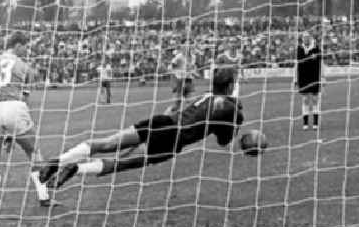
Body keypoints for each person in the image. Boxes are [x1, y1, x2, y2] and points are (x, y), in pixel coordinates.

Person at [39, 66, 244, 189]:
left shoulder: (205, 96)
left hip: (162, 121)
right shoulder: (231, 108)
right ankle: (77, 169)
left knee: (106, 143)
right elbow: (224, 142)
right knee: (122, 162)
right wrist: (236, 123)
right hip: (173, 138)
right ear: (229, 86)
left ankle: (58, 161)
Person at [0, 31, 54, 212]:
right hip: (14, 107)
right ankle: (44, 197)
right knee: (33, 151)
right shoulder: (24, 67)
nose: (26, 50)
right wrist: (12, 130)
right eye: (25, 46)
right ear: (17, 45)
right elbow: (24, 98)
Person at [296, 32, 322, 133]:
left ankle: (315, 123)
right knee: (305, 99)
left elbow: (319, 59)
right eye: (304, 38)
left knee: (315, 99)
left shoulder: (316, 48)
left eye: (308, 38)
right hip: (303, 78)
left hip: (314, 77)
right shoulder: (299, 49)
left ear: (310, 39)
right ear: (302, 39)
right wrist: (311, 58)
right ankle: (305, 123)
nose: (306, 39)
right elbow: (300, 61)